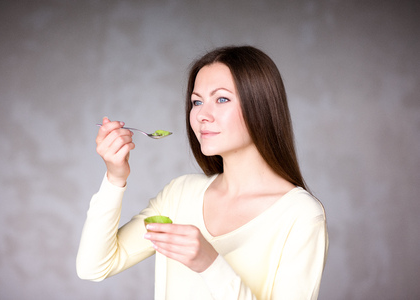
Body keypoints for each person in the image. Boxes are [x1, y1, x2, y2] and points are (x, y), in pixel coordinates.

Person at [76, 45, 328, 300]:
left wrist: (211, 264)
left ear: (260, 108)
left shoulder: (301, 214)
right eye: (197, 102)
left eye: (221, 99)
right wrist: (115, 178)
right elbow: (94, 266)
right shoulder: (179, 195)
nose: (201, 115)